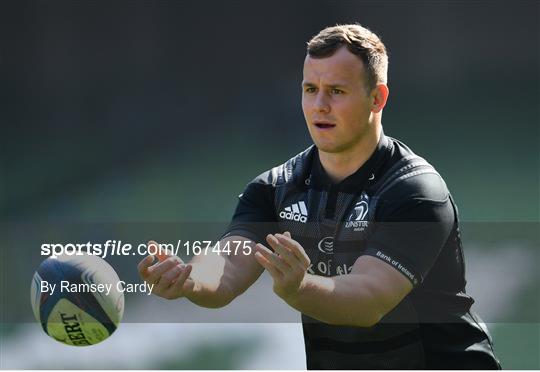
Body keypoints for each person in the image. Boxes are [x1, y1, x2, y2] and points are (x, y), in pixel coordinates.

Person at [138, 24, 501, 369]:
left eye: (337, 91)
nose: (319, 106)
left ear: (377, 98)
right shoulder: (275, 187)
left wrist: (300, 287)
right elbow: (229, 266)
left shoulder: (415, 191)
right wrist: (190, 280)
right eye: (310, 89)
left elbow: (368, 301)